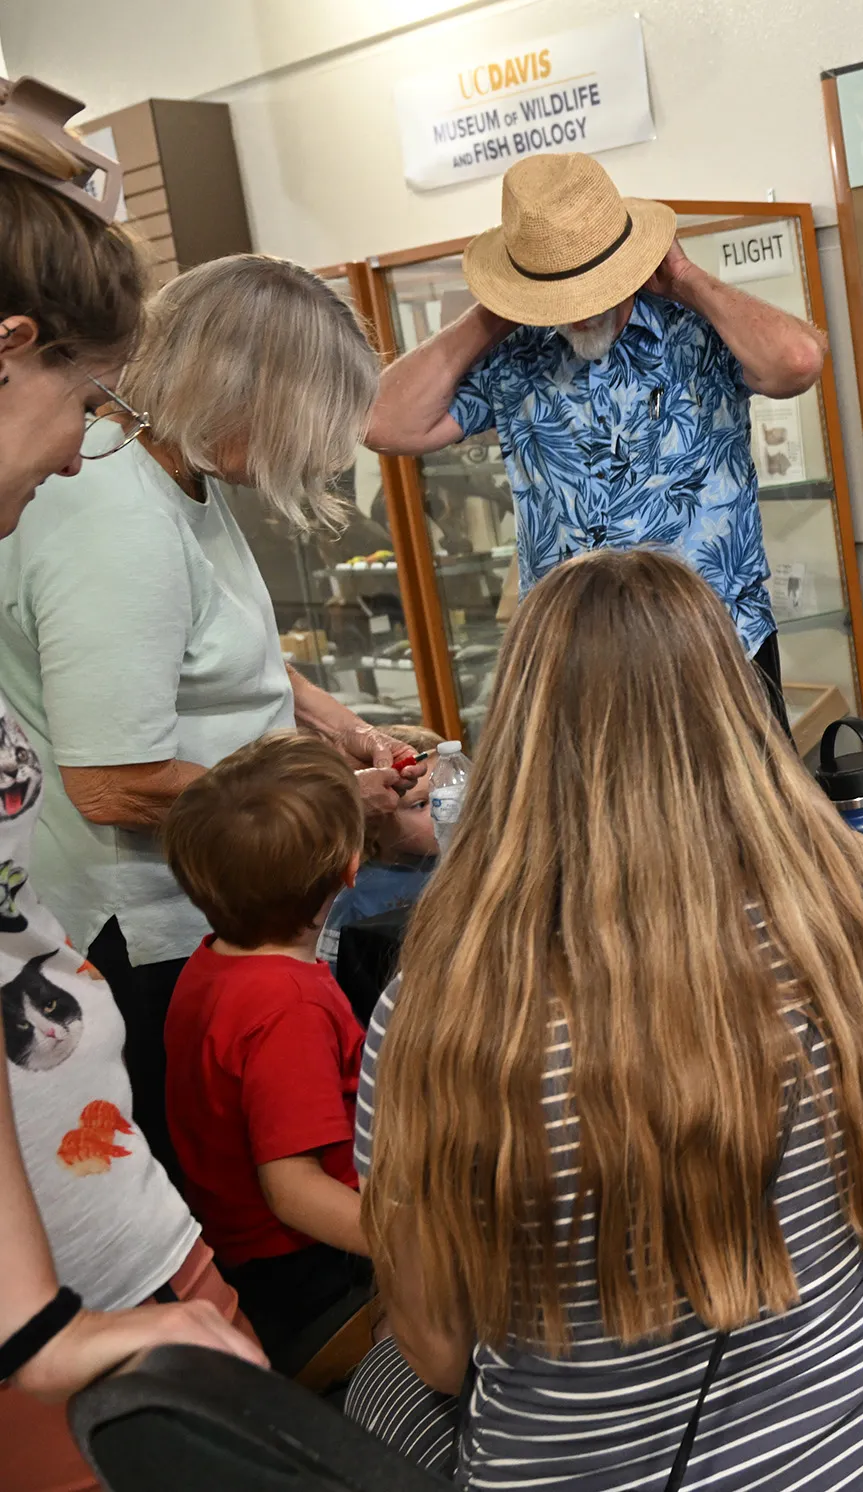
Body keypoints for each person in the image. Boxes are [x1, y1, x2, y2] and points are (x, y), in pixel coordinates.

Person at [345, 549, 863, 1489]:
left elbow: (441, 1352)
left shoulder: (443, 1006)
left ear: (519, 736)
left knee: (382, 1388)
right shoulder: (856, 908)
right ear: (735, 713)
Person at [0, 252, 420, 1186]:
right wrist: (326, 804)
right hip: (151, 941)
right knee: (248, 1187)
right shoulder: (111, 511)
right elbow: (113, 780)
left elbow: (212, 649)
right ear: (244, 393)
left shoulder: (179, 474)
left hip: (223, 905)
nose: (317, 452)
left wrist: (334, 723)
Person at [0, 73, 263, 1488]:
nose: (87, 447)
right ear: (8, 351)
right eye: (84, 403)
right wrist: (34, 1327)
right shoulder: (106, 518)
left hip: (89, 1225)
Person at [363, 151, 828, 721]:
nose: (580, 312)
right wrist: (497, 312)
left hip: (719, 652)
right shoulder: (516, 357)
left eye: (593, 287)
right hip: (578, 670)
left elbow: (799, 362)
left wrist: (687, 279)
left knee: (745, 810)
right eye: (559, 294)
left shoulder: (700, 333)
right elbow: (382, 422)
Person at [162, 734, 369, 1360]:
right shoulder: (288, 1005)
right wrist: (428, 1245)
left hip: (243, 1254)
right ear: (349, 869)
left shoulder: (211, 965)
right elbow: (294, 1190)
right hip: (306, 1270)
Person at [316, 724, 440, 965]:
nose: (446, 811)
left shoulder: (470, 864)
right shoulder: (354, 900)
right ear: (372, 822)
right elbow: (338, 977)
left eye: (449, 794)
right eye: (421, 804)